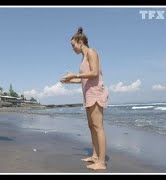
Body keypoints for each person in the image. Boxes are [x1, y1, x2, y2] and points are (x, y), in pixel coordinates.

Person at [60, 27, 109, 170]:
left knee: (98, 127)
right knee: (91, 126)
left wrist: (74, 75)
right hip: (88, 94)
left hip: (96, 93)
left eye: (73, 45)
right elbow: (85, 79)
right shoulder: (83, 57)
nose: (72, 48)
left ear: (80, 41)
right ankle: (94, 156)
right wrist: (71, 81)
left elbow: (94, 73)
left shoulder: (92, 52)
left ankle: (101, 162)